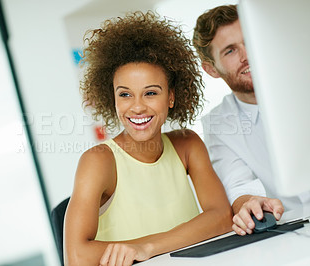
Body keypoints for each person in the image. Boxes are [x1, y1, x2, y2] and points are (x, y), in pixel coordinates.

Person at [64, 11, 233, 266]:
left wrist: (147, 247)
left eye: (150, 93)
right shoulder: (99, 161)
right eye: (125, 95)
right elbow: (76, 256)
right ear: (113, 98)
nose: (137, 107)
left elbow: (221, 216)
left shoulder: (187, 145)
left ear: (171, 97)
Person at [193, 4, 310, 236]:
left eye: (249, 41)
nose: (246, 56)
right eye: (230, 51)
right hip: (293, 234)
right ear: (211, 69)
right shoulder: (217, 123)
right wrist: (249, 204)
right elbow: (237, 185)